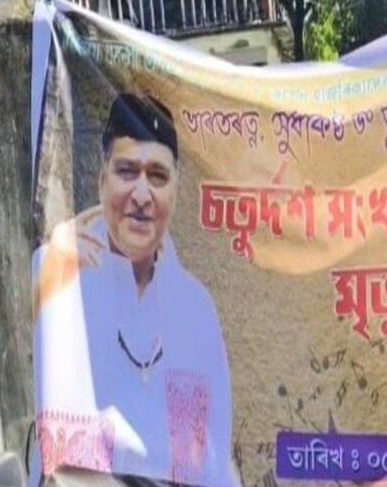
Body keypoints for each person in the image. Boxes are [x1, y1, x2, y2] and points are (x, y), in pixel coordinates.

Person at [31, 93, 236, 487]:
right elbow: (66, 460)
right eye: (127, 171)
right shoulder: (56, 274)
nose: (142, 196)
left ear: (175, 191)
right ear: (101, 180)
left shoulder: (195, 309)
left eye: (157, 176)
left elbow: (199, 462)